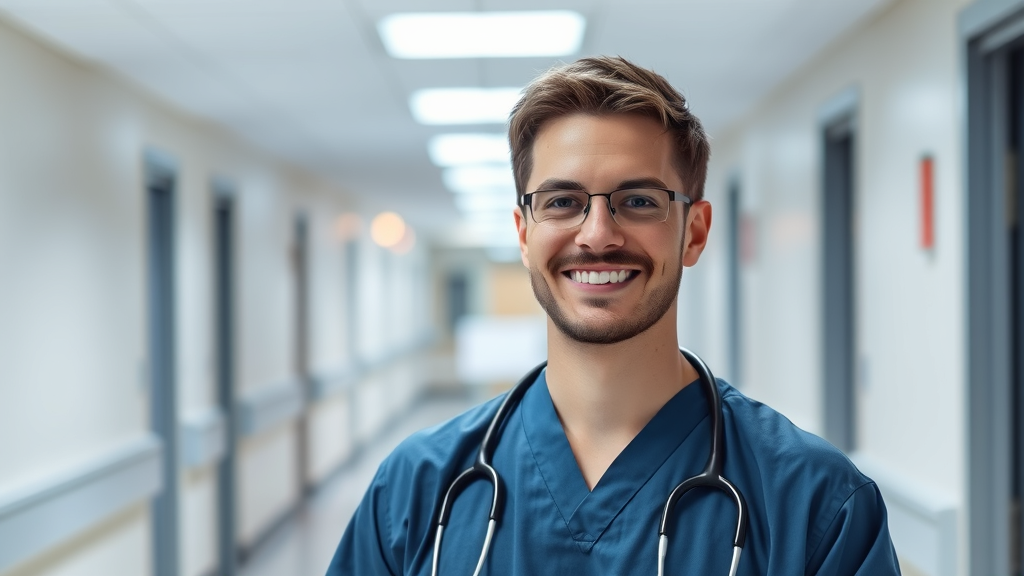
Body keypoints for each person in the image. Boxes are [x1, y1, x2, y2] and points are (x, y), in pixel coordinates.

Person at [327, 56, 900, 575]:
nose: (598, 236)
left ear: (694, 232)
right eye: (562, 202)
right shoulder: (417, 489)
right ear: (524, 235)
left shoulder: (816, 503)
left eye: (639, 201)